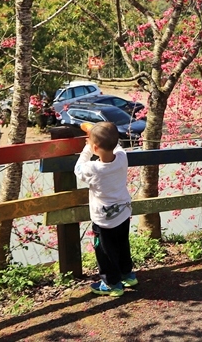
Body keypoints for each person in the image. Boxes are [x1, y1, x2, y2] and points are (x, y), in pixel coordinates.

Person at [75, 121, 135, 297]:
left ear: (95, 147)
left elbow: (78, 168)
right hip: (123, 213)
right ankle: (127, 275)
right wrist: (98, 133)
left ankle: (112, 284)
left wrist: (87, 148)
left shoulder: (93, 168)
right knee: (123, 244)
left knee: (105, 252)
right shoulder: (122, 158)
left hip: (104, 220)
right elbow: (117, 147)